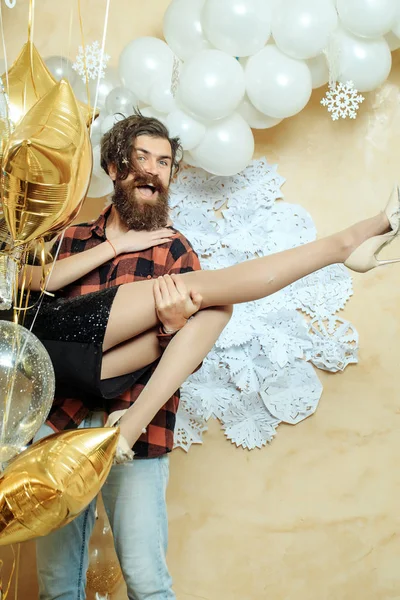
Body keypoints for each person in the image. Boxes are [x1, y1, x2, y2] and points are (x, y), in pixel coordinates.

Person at [26, 112, 400, 600]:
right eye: (142, 158)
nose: (153, 171)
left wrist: (170, 327)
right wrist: (115, 246)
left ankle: (131, 423)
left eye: (163, 163)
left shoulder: (174, 248)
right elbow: (24, 290)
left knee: (147, 580)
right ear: (114, 168)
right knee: (58, 586)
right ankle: (345, 244)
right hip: (59, 413)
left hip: (129, 411)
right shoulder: (68, 240)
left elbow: (191, 347)